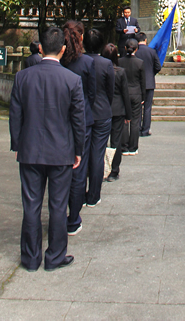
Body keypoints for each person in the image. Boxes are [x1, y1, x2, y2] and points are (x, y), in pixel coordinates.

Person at [9, 26, 85, 272]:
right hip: (61, 150)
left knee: (31, 204)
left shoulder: (23, 77)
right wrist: (78, 150)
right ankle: (54, 256)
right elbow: (78, 120)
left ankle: (30, 258)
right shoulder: (72, 80)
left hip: (30, 150)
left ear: (40, 48)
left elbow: (15, 115)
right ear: (63, 49)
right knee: (57, 205)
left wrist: (18, 144)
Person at [61, 20, 96, 235]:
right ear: (80, 37)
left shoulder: (59, 62)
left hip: (59, 119)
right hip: (81, 121)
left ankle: (59, 213)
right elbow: (91, 94)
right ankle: (73, 218)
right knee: (78, 170)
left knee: (60, 170)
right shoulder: (86, 63)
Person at [84, 29, 114, 207]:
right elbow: (110, 90)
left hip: (83, 113)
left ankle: (79, 193)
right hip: (102, 112)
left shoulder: (79, 61)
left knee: (82, 152)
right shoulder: (106, 64)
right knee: (97, 154)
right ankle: (94, 195)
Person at [102, 44, 131, 182]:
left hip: (103, 108)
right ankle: (114, 170)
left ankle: (101, 168)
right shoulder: (120, 72)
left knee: (101, 140)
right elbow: (125, 93)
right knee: (116, 140)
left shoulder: (100, 70)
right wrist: (128, 114)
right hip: (118, 109)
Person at [119, 38, 146, 155]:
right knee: (135, 120)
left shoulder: (120, 62)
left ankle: (124, 146)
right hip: (136, 93)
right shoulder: (140, 63)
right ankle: (133, 147)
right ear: (137, 49)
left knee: (124, 120)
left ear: (125, 48)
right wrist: (143, 97)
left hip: (123, 93)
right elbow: (143, 82)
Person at [136, 32, 162, 137]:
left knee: (137, 108)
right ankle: (145, 129)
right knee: (147, 108)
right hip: (149, 83)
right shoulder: (151, 51)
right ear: (146, 40)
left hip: (137, 83)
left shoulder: (135, 52)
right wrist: (151, 74)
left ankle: (137, 129)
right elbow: (158, 66)